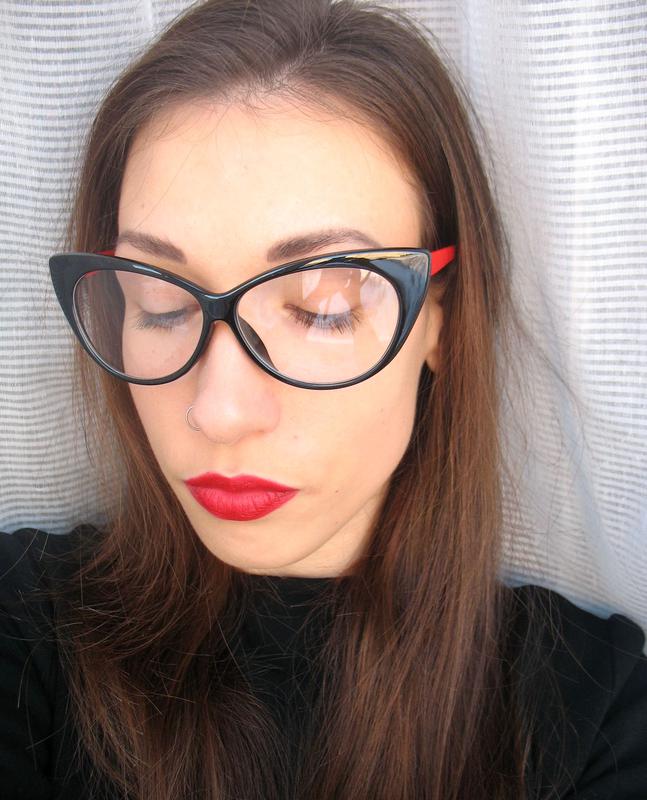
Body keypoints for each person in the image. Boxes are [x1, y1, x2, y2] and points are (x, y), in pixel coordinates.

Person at [1, 1, 645, 798]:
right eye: (160, 303)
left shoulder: (592, 714)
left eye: (323, 305)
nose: (218, 411)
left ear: (439, 319)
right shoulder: (25, 629)